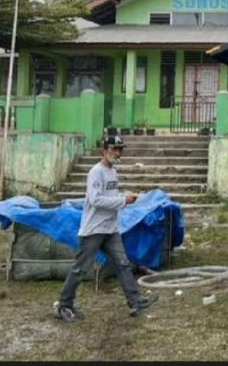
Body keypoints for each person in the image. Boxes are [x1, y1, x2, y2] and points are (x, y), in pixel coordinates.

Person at [56, 135, 159, 321]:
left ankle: (135, 301)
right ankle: (64, 305)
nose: (117, 153)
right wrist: (122, 200)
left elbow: (109, 195)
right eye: (114, 149)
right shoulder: (95, 172)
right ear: (103, 150)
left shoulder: (113, 173)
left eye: (120, 149)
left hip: (110, 229)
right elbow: (95, 200)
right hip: (94, 230)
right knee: (80, 269)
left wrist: (124, 196)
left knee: (123, 264)